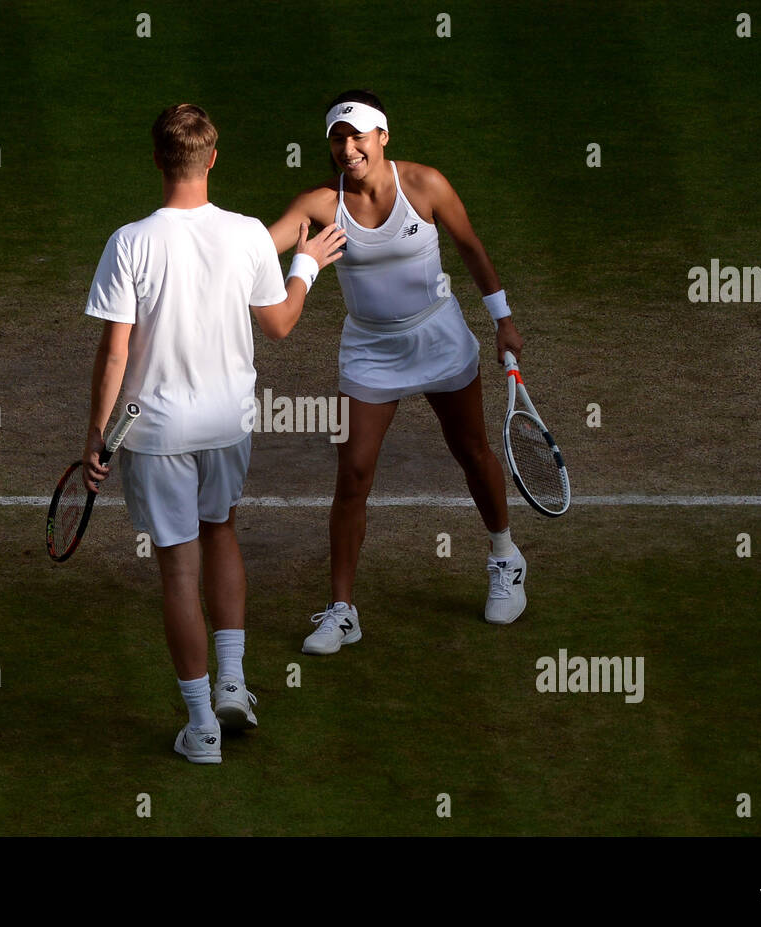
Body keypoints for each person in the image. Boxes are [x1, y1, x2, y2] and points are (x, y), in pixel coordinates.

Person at [83, 104, 345, 762]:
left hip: (157, 431)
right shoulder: (251, 234)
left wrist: (97, 436)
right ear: (212, 159)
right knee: (221, 528)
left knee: (178, 570)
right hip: (228, 421)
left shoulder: (130, 241)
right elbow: (281, 323)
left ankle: (202, 725)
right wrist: (307, 263)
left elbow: (115, 354)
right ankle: (233, 682)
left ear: (156, 161)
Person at [267, 90, 528, 655]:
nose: (348, 146)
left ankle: (505, 558)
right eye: (338, 137)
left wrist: (503, 322)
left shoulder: (426, 185)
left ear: (383, 136)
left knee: (472, 450)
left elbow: (471, 249)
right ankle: (342, 612)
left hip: (440, 337)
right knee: (354, 472)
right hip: (369, 350)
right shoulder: (319, 204)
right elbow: (264, 246)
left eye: (358, 134)